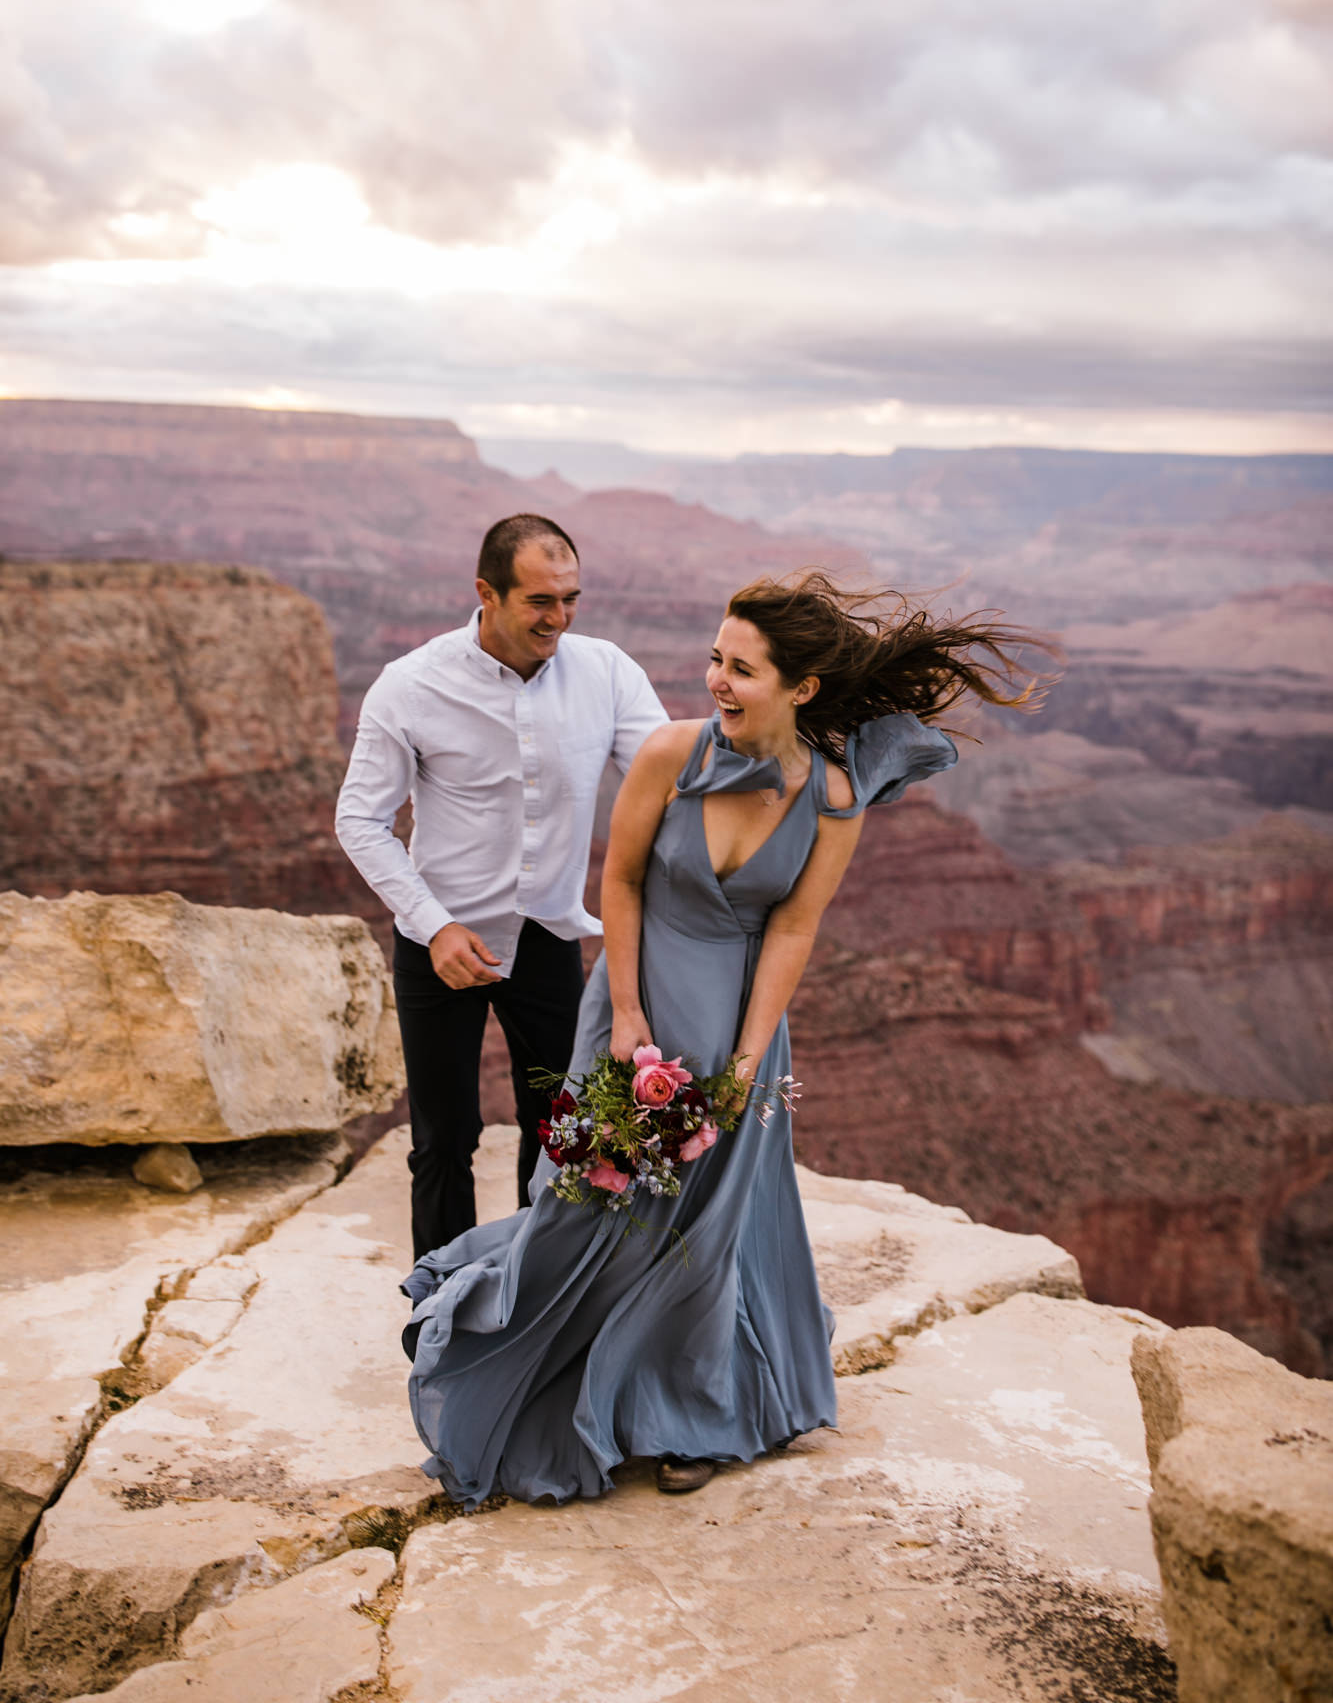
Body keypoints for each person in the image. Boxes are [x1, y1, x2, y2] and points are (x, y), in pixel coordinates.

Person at [402, 571, 1047, 1503]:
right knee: (591, 1207)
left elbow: (792, 927)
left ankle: (688, 1416)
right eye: (714, 658)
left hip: (741, 1033)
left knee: (709, 1231)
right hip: (635, 1019)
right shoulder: (670, 756)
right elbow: (617, 883)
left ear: (801, 689)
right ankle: (510, 1347)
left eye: (740, 669)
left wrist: (746, 1063)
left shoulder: (832, 797)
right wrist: (624, 1017)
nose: (716, 680)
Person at [335, 513, 668, 1258]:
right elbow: (358, 819)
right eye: (540, 601)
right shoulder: (411, 685)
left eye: (571, 598)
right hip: (439, 942)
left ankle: (525, 1306)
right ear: (486, 592)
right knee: (442, 1142)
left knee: (557, 1137)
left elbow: (671, 778)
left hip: (548, 937)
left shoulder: (606, 673)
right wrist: (434, 923)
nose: (559, 618)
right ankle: (438, 1321)